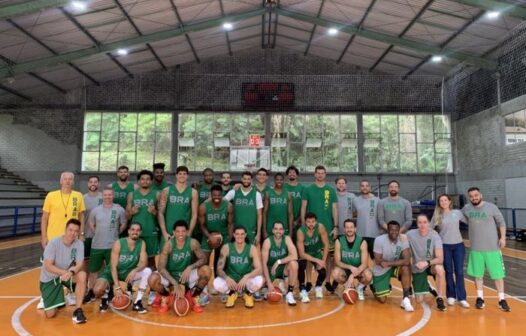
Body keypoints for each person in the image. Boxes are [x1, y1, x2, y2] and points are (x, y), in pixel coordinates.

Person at [40, 171, 86, 309]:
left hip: (72, 239)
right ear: (61, 181)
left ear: (73, 181)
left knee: (73, 267)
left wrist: (81, 233)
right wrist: (43, 236)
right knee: (48, 268)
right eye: (65, 179)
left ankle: (71, 293)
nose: (67, 181)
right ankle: (44, 296)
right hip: (54, 238)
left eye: (70, 179)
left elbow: (81, 216)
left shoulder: (78, 196)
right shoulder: (51, 196)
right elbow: (44, 217)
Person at [462, 187, 510, 312]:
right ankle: (480, 298)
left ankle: (501, 299)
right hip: (476, 248)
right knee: (478, 275)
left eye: (476, 195)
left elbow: (502, 222)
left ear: (481, 195)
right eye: (471, 196)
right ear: (469, 197)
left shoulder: (491, 207)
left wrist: (503, 238)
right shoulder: (466, 209)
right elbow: (456, 216)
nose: (474, 198)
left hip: (492, 248)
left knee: (498, 275)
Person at [148, 220, 211, 313]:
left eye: (183, 231)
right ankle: (165, 296)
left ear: (187, 232)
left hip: (186, 275)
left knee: (207, 270)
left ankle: (194, 296)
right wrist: (174, 283)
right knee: (152, 279)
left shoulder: (192, 243)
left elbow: (203, 259)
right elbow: (161, 268)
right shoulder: (168, 245)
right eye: (178, 231)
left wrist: (190, 267)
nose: (180, 234)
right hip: (171, 276)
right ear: (174, 232)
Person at [92, 222, 151, 314]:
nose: (135, 232)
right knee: (97, 290)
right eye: (133, 229)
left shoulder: (142, 243)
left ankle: (137, 302)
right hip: (112, 273)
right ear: (128, 231)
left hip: (128, 272)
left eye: (138, 230)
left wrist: (135, 270)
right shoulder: (119, 243)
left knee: (147, 271)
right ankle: (105, 297)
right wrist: (117, 286)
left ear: (140, 232)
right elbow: (113, 266)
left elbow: (144, 262)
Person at [83, 187, 127, 304]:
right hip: (97, 245)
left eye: (110, 195)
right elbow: (91, 224)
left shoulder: (119, 210)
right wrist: (97, 232)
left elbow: (123, 223)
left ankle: (111, 292)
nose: (107, 197)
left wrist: (117, 232)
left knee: (112, 270)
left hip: (112, 246)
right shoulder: (95, 210)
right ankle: (91, 291)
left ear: (113, 196)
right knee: (93, 271)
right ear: (102, 196)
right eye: (105, 195)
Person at [39, 219, 87, 323]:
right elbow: (48, 266)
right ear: (65, 230)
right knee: (50, 315)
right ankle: (58, 299)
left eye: (76, 231)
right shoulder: (53, 243)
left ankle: (78, 309)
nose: (73, 233)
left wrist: (71, 272)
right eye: (70, 230)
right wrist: (64, 273)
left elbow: (80, 264)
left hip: (67, 275)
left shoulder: (79, 244)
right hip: (50, 278)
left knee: (82, 275)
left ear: (78, 232)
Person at [300, 165, 338, 294]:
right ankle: (309, 281)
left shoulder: (330, 190)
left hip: (327, 227)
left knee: (328, 257)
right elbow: (303, 207)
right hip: (311, 228)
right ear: (315, 175)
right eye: (318, 173)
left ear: (325, 175)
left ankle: (326, 281)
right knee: (310, 256)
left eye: (323, 173)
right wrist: (303, 224)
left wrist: (336, 226)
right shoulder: (308, 189)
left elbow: (334, 208)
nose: (320, 175)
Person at [431, 194, 469, 308]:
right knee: (448, 271)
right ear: (439, 203)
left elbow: (470, 221)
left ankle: (462, 297)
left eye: (445, 200)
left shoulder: (457, 213)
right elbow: (429, 228)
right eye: (441, 200)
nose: (443, 202)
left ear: (449, 201)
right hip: (444, 246)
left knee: (460, 272)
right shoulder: (437, 215)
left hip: (458, 245)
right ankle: (451, 296)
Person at [214, 226, 264, 308]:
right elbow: (219, 269)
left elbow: (259, 269)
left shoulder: (251, 248)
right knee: (216, 283)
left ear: (245, 235)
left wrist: (247, 276)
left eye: (242, 234)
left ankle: (248, 293)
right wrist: (227, 278)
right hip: (232, 279)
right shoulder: (226, 247)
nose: (239, 236)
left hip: (245, 280)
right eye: (237, 234)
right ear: (233, 235)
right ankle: (231, 293)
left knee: (259, 280)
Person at [407, 214, 447, 311]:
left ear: (428, 223)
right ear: (416, 224)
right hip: (418, 267)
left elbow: (440, 258)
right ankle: (428, 286)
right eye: (420, 222)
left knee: (440, 269)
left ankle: (440, 298)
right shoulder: (410, 235)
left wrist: (427, 263)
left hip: (430, 264)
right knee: (419, 300)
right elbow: (400, 238)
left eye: (425, 222)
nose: (422, 225)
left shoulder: (434, 235)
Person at [373, 220, 414, 312]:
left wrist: (388, 263)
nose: (394, 232)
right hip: (381, 270)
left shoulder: (403, 240)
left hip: (393, 267)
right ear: (387, 230)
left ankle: (406, 299)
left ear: (399, 230)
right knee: (382, 300)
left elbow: (407, 260)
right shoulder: (379, 240)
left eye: (396, 230)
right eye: (391, 230)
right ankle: (374, 286)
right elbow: (378, 260)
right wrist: (390, 263)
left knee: (406, 268)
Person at [332, 219, 372, 300]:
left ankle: (359, 288)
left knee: (368, 275)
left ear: (355, 229)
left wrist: (352, 275)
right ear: (344, 229)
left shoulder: (362, 242)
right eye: (347, 227)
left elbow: (364, 264)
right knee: (335, 273)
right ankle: (347, 285)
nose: (349, 229)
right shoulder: (339, 241)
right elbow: (337, 261)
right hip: (345, 269)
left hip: (359, 269)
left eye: (351, 227)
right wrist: (350, 267)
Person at [158, 165, 198, 246]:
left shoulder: (193, 192)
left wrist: (189, 232)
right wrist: (164, 232)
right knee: (164, 256)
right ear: (176, 175)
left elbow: (194, 215)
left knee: (184, 257)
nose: (182, 176)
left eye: (184, 174)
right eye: (180, 174)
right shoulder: (166, 191)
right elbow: (160, 213)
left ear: (187, 176)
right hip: (168, 232)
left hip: (184, 232)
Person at [126, 170, 159, 268]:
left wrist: (154, 212)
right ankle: (135, 281)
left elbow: (161, 215)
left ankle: (151, 281)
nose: (145, 181)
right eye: (143, 179)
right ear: (138, 181)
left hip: (151, 231)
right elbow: (127, 216)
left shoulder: (157, 194)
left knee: (151, 259)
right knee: (134, 258)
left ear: (151, 181)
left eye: (148, 179)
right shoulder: (132, 194)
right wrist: (132, 212)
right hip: (135, 232)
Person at [261, 221, 299, 306]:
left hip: (282, 269)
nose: (278, 231)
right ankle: (267, 287)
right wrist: (269, 283)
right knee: (259, 282)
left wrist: (278, 262)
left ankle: (289, 293)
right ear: (273, 230)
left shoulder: (287, 239)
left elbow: (295, 255)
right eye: (276, 229)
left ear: (284, 230)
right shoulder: (267, 242)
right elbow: (263, 264)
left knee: (294, 264)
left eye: (280, 229)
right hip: (270, 269)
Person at [199, 185, 233, 274]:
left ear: (222, 195)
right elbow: (201, 225)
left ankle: (221, 282)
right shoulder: (203, 206)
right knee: (203, 261)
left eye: (219, 195)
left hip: (224, 235)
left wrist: (229, 239)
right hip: (207, 235)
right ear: (211, 195)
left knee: (222, 262)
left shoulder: (228, 206)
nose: (216, 197)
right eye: (214, 195)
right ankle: (204, 283)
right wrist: (209, 236)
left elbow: (230, 224)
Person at [296, 212, 330, 302]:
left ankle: (318, 287)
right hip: (306, 253)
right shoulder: (300, 232)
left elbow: (326, 244)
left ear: (316, 221)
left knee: (323, 272)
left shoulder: (320, 227)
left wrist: (323, 260)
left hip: (316, 252)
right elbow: (302, 253)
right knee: (301, 265)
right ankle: (302, 288)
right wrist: (316, 260)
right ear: (305, 222)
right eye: (308, 222)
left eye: (313, 221)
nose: (311, 224)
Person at [224, 171, 263, 246]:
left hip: (251, 230)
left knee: (251, 254)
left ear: (251, 180)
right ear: (241, 179)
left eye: (248, 179)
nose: (246, 181)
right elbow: (222, 201)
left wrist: (258, 233)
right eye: (244, 179)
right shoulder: (234, 192)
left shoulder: (256, 194)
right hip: (236, 230)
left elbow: (259, 215)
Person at [82, 175, 102, 294]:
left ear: (98, 184)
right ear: (88, 184)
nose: (93, 183)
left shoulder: (103, 197)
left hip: (100, 237)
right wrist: (81, 233)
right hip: (86, 236)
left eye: (95, 182)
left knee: (97, 264)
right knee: (85, 263)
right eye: (91, 182)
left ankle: (93, 288)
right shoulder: (82, 198)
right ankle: (83, 287)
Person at [352, 179, 381, 259]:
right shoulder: (355, 200)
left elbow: (380, 217)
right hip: (360, 235)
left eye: (367, 186)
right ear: (360, 188)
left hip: (374, 234)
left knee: (374, 258)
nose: (365, 187)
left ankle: (374, 272)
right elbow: (352, 214)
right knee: (361, 258)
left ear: (370, 188)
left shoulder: (377, 200)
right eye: (362, 186)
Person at [263, 172, 293, 239]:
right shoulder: (268, 193)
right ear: (274, 180)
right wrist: (264, 230)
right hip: (270, 226)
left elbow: (290, 214)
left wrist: (291, 232)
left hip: (284, 226)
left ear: (283, 181)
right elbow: (264, 213)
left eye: (281, 179)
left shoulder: (288, 194)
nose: (279, 181)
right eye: (277, 179)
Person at [284, 165, 304, 234]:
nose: (292, 174)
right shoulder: (283, 187)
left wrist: (297, 220)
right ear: (287, 175)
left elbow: (304, 206)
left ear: (297, 175)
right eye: (290, 172)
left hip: (298, 221)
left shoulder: (302, 188)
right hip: (284, 221)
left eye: (294, 172)